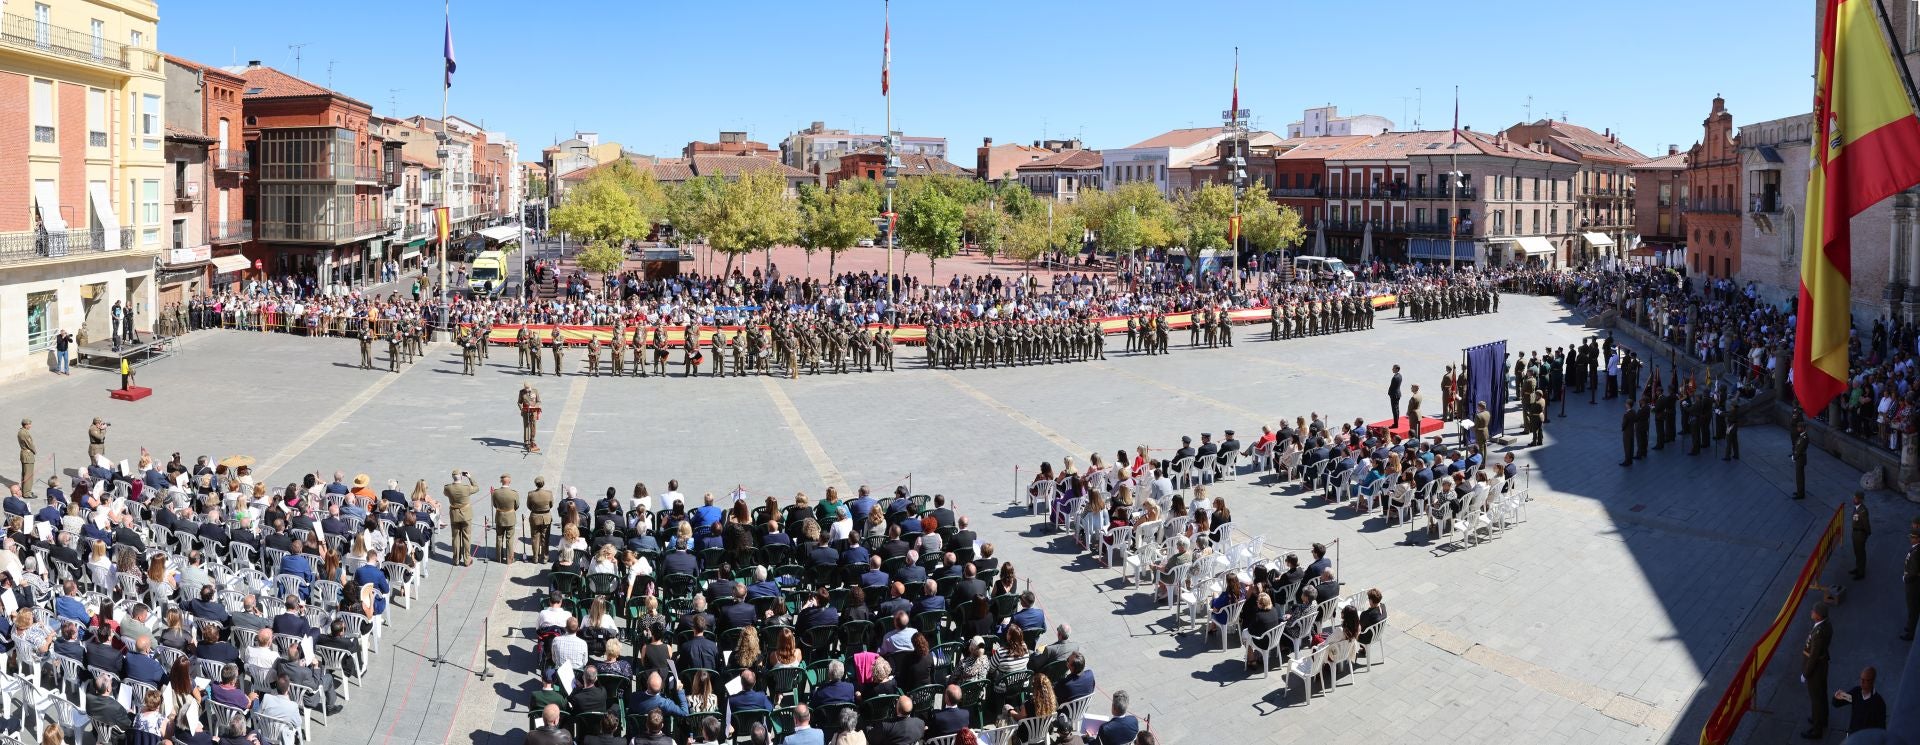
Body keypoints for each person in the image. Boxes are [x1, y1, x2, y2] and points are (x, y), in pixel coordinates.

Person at [1803, 603, 1832, 739]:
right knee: (1822, 694)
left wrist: (1805, 673)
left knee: (1816, 699)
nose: (1811, 612)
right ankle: (1822, 718)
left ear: (1818, 615)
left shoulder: (1819, 632)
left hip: (1816, 669)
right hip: (1822, 665)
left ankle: (1816, 729)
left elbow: (1813, 655)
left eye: (1813, 611)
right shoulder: (1826, 625)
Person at [1832, 666, 1887, 735]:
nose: (1862, 682)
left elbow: (1881, 728)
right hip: (1852, 735)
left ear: (1872, 681)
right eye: (1861, 679)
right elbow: (1837, 703)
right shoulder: (1856, 692)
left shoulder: (1879, 703)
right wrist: (1836, 697)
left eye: (1865, 680)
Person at [446, 470, 478, 566]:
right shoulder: (466, 488)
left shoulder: (448, 488)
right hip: (466, 514)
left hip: (454, 514)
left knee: (455, 537)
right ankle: (467, 559)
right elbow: (476, 488)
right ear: (461, 476)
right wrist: (470, 477)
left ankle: (456, 559)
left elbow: (445, 493)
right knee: (466, 537)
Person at [492, 474, 520, 565]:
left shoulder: (495, 492)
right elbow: (517, 506)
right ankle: (509, 559)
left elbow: (495, 505)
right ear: (510, 481)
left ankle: (498, 558)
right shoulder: (514, 493)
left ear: (501, 481)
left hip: (499, 517)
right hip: (510, 518)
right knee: (510, 539)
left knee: (499, 537)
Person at [1851, 492, 1871, 580]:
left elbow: (1866, 524)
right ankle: (1858, 568)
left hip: (1860, 534)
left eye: (1856, 498)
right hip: (1855, 533)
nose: (1854, 499)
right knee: (1857, 552)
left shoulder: (1862, 511)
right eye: (1854, 497)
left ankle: (1861, 572)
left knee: (1860, 553)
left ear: (1861, 500)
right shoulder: (1856, 508)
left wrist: (1866, 533)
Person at [520, 384, 543, 453]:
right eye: (526, 388)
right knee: (526, 426)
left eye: (528, 388)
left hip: (534, 411)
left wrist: (535, 406)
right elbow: (519, 402)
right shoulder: (521, 392)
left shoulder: (535, 391)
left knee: (533, 426)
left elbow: (539, 401)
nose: (527, 390)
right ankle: (526, 442)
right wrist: (521, 409)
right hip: (525, 411)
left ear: (531, 387)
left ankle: (532, 440)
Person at [1792, 421, 1810, 499]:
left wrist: (1795, 457)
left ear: (1803, 428)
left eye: (1799, 427)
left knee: (1800, 477)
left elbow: (1800, 449)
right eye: (1797, 427)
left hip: (1801, 459)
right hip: (1799, 458)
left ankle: (1801, 494)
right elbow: (1797, 446)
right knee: (1798, 477)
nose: (1798, 428)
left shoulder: (1804, 437)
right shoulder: (1801, 436)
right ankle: (1799, 491)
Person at [17, 419, 33, 500]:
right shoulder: (24, 433)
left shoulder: (20, 431)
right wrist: (34, 451)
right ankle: (27, 493)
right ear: (25, 425)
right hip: (28, 455)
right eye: (29, 424)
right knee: (28, 474)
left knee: (24, 473)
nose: (30, 426)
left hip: (24, 454)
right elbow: (30, 444)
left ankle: (24, 490)